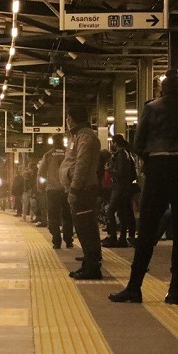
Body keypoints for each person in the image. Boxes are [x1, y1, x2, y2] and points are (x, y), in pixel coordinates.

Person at [109, 69, 178, 305]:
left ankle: (134, 287)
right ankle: (174, 289)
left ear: (161, 89)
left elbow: (138, 143)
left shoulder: (151, 107)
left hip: (158, 169)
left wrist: (152, 160)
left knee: (147, 231)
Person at [60, 106, 102, 279]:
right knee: (84, 228)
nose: (67, 121)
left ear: (72, 118)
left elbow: (81, 165)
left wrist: (74, 189)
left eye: (68, 118)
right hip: (81, 190)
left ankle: (92, 267)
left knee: (86, 229)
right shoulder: (79, 136)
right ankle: (89, 263)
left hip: (83, 191)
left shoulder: (84, 136)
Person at [38, 134, 74, 249]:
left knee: (53, 217)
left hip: (52, 190)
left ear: (52, 142)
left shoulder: (48, 155)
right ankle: (68, 240)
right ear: (63, 141)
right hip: (67, 189)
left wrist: (40, 186)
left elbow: (41, 173)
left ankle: (56, 240)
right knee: (67, 216)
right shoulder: (69, 153)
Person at [104, 134, 137, 248]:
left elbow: (121, 172)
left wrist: (109, 170)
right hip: (123, 187)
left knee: (110, 211)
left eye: (112, 143)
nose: (112, 145)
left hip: (120, 187)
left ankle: (113, 237)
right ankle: (122, 238)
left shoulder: (122, 155)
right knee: (122, 213)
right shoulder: (125, 153)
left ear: (116, 143)